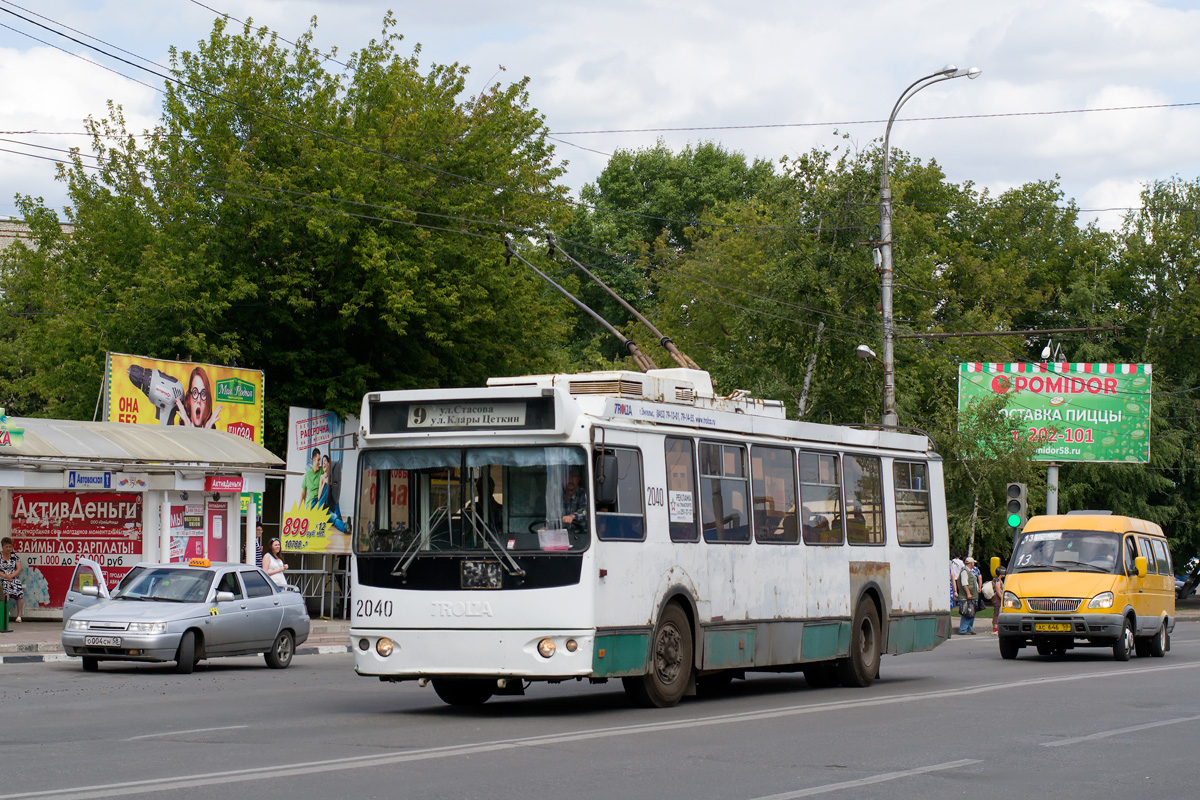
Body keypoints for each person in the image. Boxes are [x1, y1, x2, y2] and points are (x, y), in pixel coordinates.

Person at [0, 537, 24, 623]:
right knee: (5, 588)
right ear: (2, 547)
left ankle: (19, 615)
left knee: (20, 591)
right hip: (2, 578)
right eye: (6, 547)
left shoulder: (14, 556)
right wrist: (5, 576)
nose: (8, 549)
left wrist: (11, 576)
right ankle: (6, 611)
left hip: (13, 578)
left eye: (10, 547)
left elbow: (19, 568)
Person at [957, 556, 979, 635]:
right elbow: (964, 583)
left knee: (971, 613)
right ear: (971, 563)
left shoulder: (968, 571)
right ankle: (963, 629)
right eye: (973, 563)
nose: (974, 564)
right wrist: (968, 593)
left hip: (972, 596)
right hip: (968, 597)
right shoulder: (965, 571)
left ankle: (969, 629)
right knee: (967, 613)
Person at [991, 567, 1006, 634]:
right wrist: (1002, 598)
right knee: (996, 613)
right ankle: (995, 628)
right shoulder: (997, 581)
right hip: (997, 599)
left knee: (997, 612)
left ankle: (996, 627)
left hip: (997, 598)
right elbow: (998, 591)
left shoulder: (997, 580)